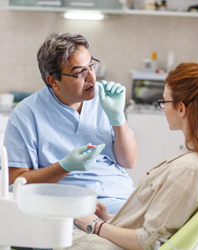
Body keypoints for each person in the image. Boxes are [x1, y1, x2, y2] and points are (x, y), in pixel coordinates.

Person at [54, 62, 198, 250]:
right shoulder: (197, 157)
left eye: (164, 101)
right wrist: (108, 218)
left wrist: (95, 225)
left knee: (65, 239)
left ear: (181, 109)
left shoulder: (190, 169)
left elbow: (146, 240)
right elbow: (158, 221)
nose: (162, 108)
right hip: (128, 233)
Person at [1, 32, 138, 215]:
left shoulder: (104, 99)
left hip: (121, 199)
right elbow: (15, 182)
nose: (91, 77)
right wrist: (64, 166)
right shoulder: (27, 114)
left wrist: (118, 119)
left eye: (91, 66)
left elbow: (129, 161)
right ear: (53, 81)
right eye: (80, 72)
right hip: (69, 207)